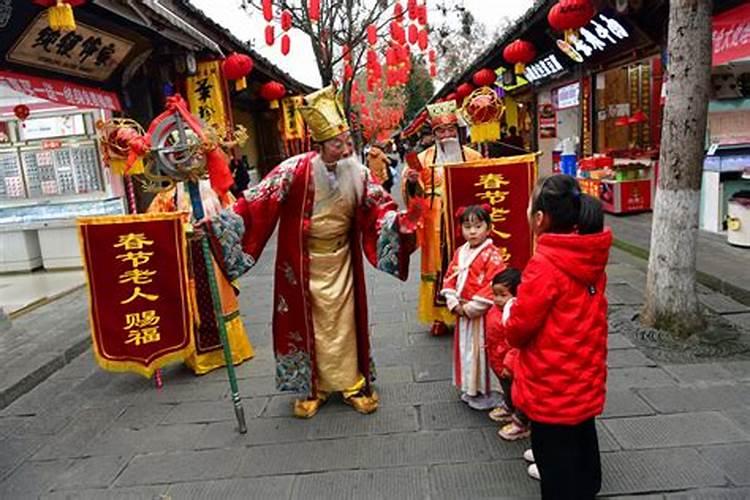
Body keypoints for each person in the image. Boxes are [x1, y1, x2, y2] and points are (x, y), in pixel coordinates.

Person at [205, 86, 417, 419]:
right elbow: (256, 202)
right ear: (319, 146)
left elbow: (379, 208)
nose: (346, 149)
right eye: (338, 144)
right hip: (302, 264)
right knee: (306, 325)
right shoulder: (293, 170)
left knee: (346, 324)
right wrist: (221, 221)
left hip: (342, 261)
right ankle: (312, 387)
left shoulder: (358, 173)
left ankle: (352, 383)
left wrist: (397, 222)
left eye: (348, 142)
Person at [502, 175, 612, 499]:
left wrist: (509, 310)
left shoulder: (544, 265)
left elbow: (519, 330)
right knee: (582, 447)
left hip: (552, 386)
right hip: (584, 378)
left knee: (557, 469)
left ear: (540, 219)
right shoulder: (590, 254)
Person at [148, 180, 255, 375]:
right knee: (194, 305)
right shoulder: (167, 196)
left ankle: (231, 351)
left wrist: (213, 226)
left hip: (214, 255)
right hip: (188, 257)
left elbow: (235, 217)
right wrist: (185, 230)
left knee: (222, 302)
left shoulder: (216, 189)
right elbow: (156, 229)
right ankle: (202, 358)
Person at [403, 100, 483, 337]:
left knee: (467, 263)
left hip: (467, 220)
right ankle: (439, 316)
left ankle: (468, 308)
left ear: (457, 131)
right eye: (441, 131)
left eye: (450, 130)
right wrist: (411, 182)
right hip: (435, 218)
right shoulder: (424, 158)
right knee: (438, 265)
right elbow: (414, 195)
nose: (446, 135)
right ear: (434, 133)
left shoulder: (473, 156)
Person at [441, 205, 506, 410]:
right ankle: (470, 387)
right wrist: (453, 301)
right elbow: (449, 278)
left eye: (478, 226)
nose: (472, 231)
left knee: (482, 352)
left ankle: (485, 390)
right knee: (466, 350)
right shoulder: (460, 252)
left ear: (489, 228)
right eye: (467, 226)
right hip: (462, 311)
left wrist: (471, 307)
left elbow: (493, 284)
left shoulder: (492, 254)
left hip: (481, 314)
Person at [485, 268, 530, 441]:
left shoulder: (514, 315)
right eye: (495, 294)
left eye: (503, 295)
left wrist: (509, 364)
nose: (497, 299)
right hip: (496, 359)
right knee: (506, 387)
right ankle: (509, 405)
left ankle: (521, 421)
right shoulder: (494, 310)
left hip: (511, 364)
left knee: (518, 391)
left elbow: (515, 345)